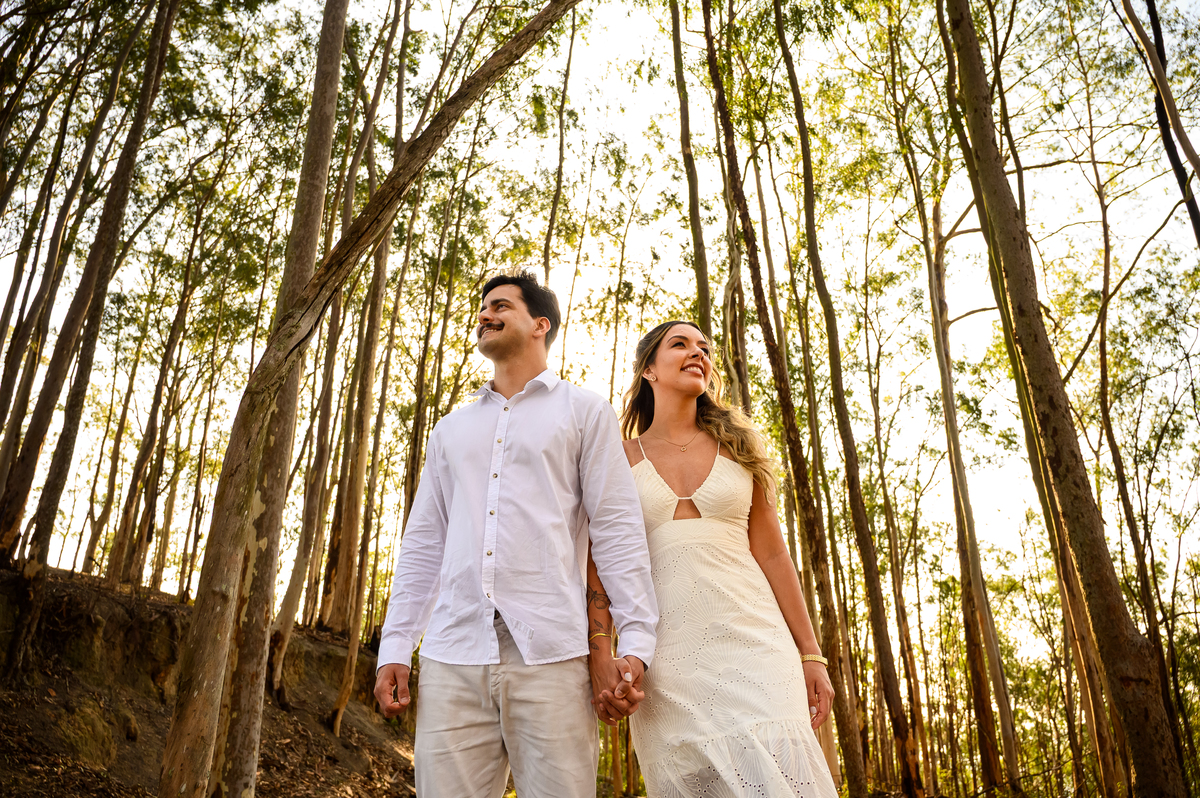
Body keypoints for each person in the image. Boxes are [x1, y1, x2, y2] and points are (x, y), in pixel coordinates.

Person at [373, 270, 658, 798]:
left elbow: (617, 531)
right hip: (452, 655)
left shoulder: (584, 411)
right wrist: (396, 646)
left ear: (539, 324)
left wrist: (636, 642)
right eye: (482, 309)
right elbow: (423, 544)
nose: (485, 315)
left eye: (500, 305)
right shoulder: (450, 430)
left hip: (552, 655)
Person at [586, 320, 838, 798]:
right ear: (648, 372)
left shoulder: (740, 449)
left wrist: (811, 654)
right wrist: (604, 648)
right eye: (679, 344)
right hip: (668, 658)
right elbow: (598, 563)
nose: (697, 352)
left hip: (758, 646)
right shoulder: (616, 458)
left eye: (704, 347)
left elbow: (774, 554)